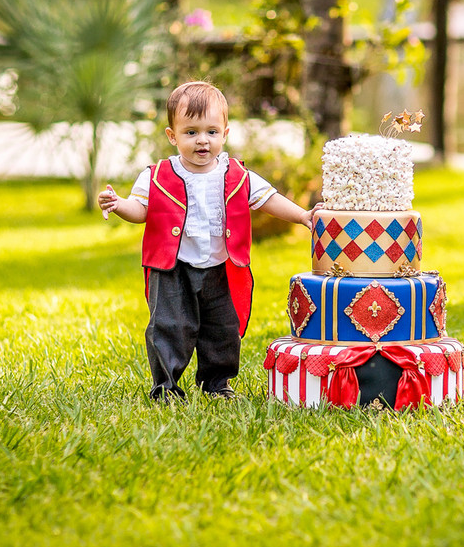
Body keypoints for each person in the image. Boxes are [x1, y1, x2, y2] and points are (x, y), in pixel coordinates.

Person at [99, 81, 315, 401]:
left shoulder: (236, 174)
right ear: (173, 136)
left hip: (221, 267)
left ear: (225, 133)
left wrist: (302, 216)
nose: (203, 140)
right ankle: (166, 387)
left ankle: (216, 383)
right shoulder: (157, 175)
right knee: (170, 326)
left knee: (223, 329)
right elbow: (140, 209)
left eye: (211, 132)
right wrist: (119, 206)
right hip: (173, 268)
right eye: (191, 132)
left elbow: (268, 198)